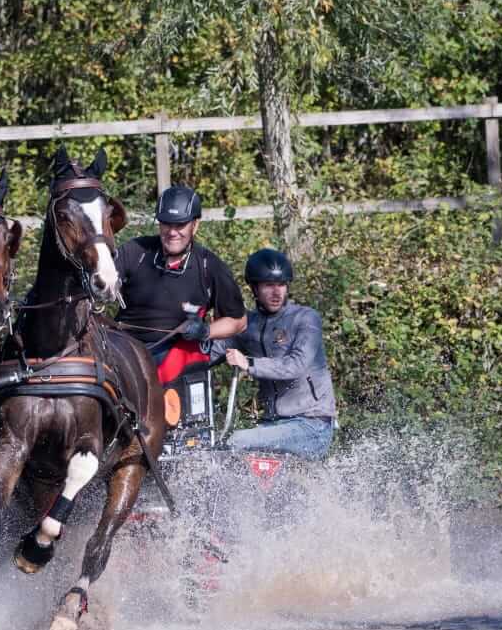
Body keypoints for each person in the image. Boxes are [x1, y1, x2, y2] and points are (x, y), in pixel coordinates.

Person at [210, 247, 336, 459]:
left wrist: (249, 363)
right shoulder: (248, 324)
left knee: (237, 441)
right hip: (273, 424)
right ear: (254, 288)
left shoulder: (306, 318)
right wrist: (198, 333)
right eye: (269, 285)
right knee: (210, 446)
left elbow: (296, 365)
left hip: (311, 424)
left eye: (281, 285)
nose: (277, 292)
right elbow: (209, 354)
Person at [114, 185, 246, 371]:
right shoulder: (136, 251)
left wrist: (205, 331)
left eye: (180, 225)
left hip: (178, 355)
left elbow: (239, 322)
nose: (172, 232)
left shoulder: (210, 266)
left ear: (195, 225)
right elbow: (100, 277)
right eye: (166, 224)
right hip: (126, 351)